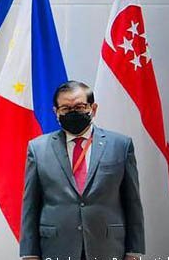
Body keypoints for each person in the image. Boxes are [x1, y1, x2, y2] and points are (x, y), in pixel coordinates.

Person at [20, 80, 144, 260]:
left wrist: (134, 251)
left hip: (108, 246)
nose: (72, 112)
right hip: (56, 247)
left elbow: (132, 202)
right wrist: (29, 254)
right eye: (65, 108)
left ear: (93, 108)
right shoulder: (38, 148)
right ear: (56, 112)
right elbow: (30, 205)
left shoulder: (120, 145)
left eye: (79, 107)